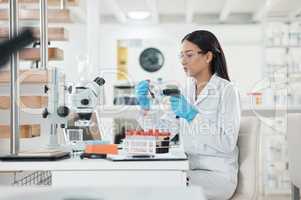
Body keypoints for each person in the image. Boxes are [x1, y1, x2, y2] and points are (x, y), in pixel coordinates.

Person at [135, 30, 241, 200]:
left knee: (162, 189)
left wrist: (193, 116)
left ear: (208, 57)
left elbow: (227, 143)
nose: (183, 61)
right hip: (188, 168)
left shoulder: (227, 90)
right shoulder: (186, 90)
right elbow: (163, 133)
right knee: (149, 180)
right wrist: (145, 107)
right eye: (181, 56)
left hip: (217, 176)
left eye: (189, 55)